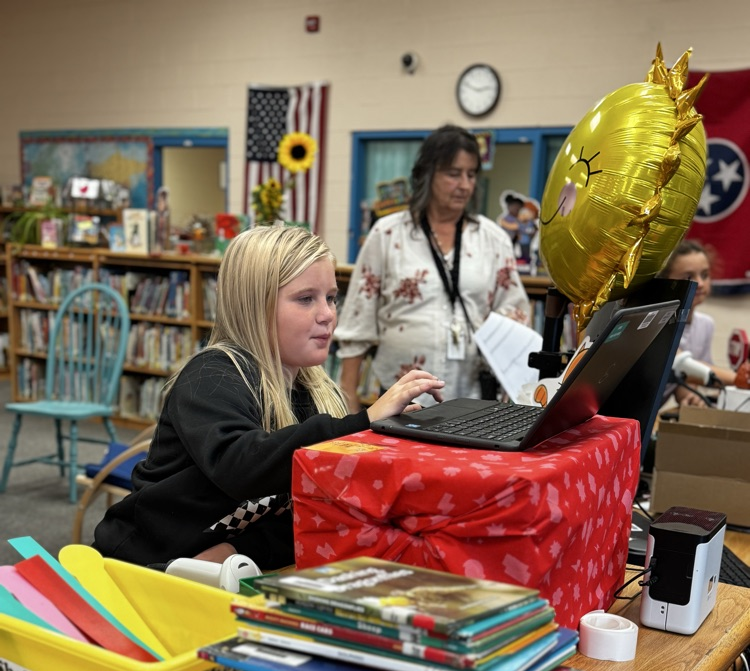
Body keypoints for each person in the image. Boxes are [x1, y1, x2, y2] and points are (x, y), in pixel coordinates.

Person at [93, 226, 445, 569]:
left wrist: (238, 550)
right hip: (138, 565)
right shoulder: (211, 375)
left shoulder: (314, 391)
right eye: (306, 299)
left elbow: (311, 511)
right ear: (254, 306)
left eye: (331, 297)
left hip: (220, 570)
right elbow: (244, 466)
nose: (327, 314)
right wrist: (361, 423)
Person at [335, 125, 531, 411]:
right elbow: (357, 322)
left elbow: (516, 314)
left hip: (472, 399)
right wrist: (348, 396)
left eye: (471, 174)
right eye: (453, 174)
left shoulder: (493, 240)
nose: (464, 184)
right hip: (398, 400)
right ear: (427, 174)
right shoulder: (388, 234)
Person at [660, 239, 737, 406]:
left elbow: (687, 377)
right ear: (666, 280)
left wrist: (687, 393)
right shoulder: (657, 321)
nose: (700, 284)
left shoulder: (705, 325)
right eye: (689, 277)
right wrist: (739, 379)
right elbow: (683, 364)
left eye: (705, 275)